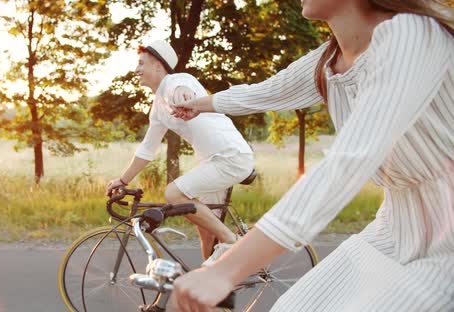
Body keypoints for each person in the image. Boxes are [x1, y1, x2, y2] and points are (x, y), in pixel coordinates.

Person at [169, 1, 454, 311]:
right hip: (394, 230)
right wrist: (199, 104)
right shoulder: (329, 60)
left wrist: (224, 270)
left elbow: (349, 161)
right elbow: (263, 92)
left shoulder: (412, 34)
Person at [106, 40, 254, 263]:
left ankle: (232, 241)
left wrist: (184, 95)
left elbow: (182, 89)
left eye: (141, 63)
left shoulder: (176, 81)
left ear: (158, 66)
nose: (136, 69)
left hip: (230, 157)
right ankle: (211, 286)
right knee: (206, 230)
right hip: (212, 162)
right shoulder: (157, 108)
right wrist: (122, 180)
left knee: (173, 194)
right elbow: (147, 148)